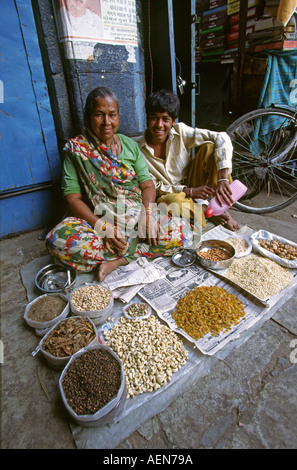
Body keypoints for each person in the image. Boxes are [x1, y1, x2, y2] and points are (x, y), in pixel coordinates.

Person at [45, 87, 194, 281]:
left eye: (112, 115)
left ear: (118, 116)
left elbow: (147, 186)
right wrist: (102, 227)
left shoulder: (130, 145)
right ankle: (134, 251)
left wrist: (148, 216)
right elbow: (72, 198)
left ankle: (120, 260)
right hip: (101, 219)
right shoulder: (77, 150)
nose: (107, 122)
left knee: (186, 233)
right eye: (99, 115)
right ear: (89, 117)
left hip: (136, 215)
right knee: (56, 240)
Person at [136, 89, 240, 231]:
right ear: (147, 118)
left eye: (165, 119)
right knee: (169, 202)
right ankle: (208, 212)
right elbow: (155, 187)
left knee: (210, 148)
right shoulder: (138, 149)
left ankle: (221, 206)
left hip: (193, 180)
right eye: (154, 118)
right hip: (170, 194)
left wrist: (222, 179)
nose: (159, 125)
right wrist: (188, 191)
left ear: (173, 121)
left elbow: (221, 137)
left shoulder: (181, 131)